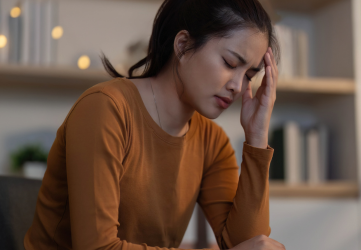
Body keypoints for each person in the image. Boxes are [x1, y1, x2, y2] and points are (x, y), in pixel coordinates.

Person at [24, 0, 285, 249]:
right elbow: (97, 247)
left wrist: (257, 138)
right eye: (230, 63)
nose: (238, 86)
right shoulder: (105, 109)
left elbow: (247, 244)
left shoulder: (212, 142)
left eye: (249, 76)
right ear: (182, 45)